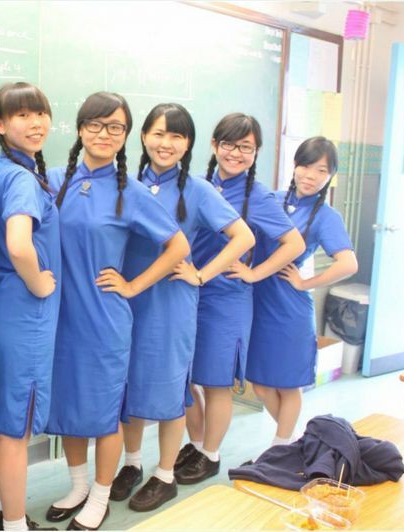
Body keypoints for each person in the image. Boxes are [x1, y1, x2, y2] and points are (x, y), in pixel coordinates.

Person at [45, 92, 190, 531]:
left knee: (105, 413)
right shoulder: (54, 181)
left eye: (115, 127)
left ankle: (101, 496)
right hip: (60, 318)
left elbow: (178, 246)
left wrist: (132, 285)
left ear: (127, 135)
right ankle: (77, 486)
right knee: (69, 405)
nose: (104, 134)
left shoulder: (132, 193)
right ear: (80, 128)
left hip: (105, 320)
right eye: (95, 124)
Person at [112, 103, 254, 512]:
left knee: (171, 388)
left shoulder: (198, 189)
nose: (166, 143)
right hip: (129, 300)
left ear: (188, 143)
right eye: (158, 133)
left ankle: (165, 475)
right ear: (143, 136)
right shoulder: (128, 183)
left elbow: (243, 237)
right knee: (129, 384)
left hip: (171, 305)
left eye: (176, 136)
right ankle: (132, 463)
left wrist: (201, 275)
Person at [180, 113, 305, 485]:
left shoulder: (258, 196)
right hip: (188, 293)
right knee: (186, 379)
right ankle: (196, 445)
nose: (236, 153)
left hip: (227, 300)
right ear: (214, 145)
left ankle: (211, 454)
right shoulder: (198, 186)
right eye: (229, 145)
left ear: (256, 152)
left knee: (215, 382)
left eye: (245, 147)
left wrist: (254, 273)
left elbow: (294, 244)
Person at [0, 82, 59, 532]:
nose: (35, 123)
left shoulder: (5, 169)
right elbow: (19, 244)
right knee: (16, 429)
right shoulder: (22, 178)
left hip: (1, 309)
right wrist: (39, 283)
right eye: (22, 115)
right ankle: (16, 524)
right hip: (26, 315)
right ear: (0, 125)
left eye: (40, 113)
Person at [247, 136, 357, 446]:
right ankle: (293, 440)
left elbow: (348, 263)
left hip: (289, 309)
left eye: (321, 171)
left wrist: (305, 283)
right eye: (306, 166)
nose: (311, 176)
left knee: (288, 384)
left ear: (330, 176)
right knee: (261, 385)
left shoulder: (326, 216)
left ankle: (281, 446)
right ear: (295, 165)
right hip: (257, 302)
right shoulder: (272, 199)